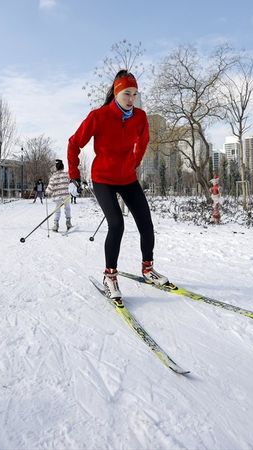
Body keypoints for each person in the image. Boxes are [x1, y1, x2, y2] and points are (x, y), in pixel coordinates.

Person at [67, 70, 168, 304]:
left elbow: (143, 141)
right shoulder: (98, 116)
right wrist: (74, 176)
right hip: (102, 178)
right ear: (116, 93)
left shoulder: (140, 117)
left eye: (134, 94)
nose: (131, 98)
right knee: (117, 223)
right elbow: (74, 143)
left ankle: (148, 268)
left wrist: (134, 162)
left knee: (146, 222)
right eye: (126, 93)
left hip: (127, 177)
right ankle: (110, 276)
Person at [46, 159, 76, 232]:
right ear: (63, 167)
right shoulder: (67, 174)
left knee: (57, 210)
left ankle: (56, 225)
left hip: (57, 196)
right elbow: (71, 180)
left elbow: (50, 186)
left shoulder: (53, 176)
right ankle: (68, 223)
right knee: (67, 208)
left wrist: (47, 192)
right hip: (65, 195)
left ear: (56, 168)